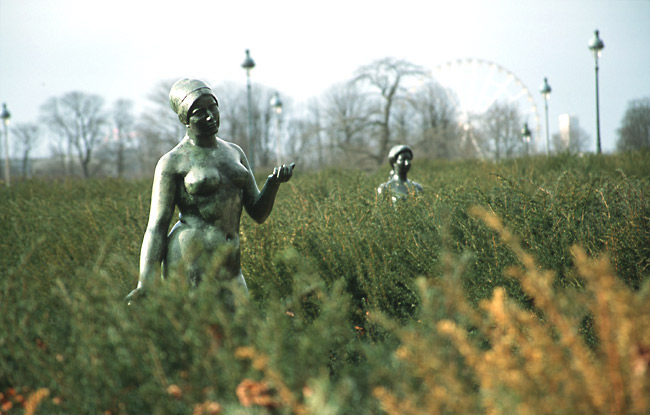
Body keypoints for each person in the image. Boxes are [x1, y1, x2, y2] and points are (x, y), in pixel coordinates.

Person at [126, 78, 294, 302]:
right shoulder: (172, 162)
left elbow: (258, 213)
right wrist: (145, 282)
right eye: (198, 112)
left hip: (230, 264)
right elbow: (157, 226)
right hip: (189, 260)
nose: (209, 116)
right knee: (201, 334)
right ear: (185, 119)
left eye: (212, 107)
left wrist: (273, 184)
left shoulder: (235, 152)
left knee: (240, 329)